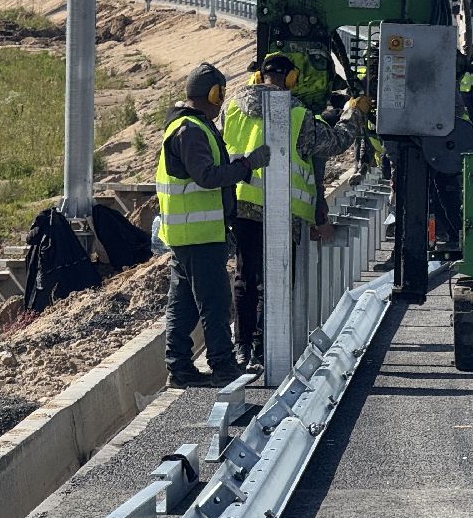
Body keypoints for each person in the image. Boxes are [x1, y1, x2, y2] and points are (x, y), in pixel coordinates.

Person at [221, 51, 372, 370]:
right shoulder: (297, 113)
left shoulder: (233, 106)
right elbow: (334, 142)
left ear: (260, 76)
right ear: (291, 79)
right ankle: (264, 350)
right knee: (273, 281)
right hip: (281, 209)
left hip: (243, 203)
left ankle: (241, 346)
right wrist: (353, 113)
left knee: (244, 275)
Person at [156, 62, 270, 387]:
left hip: (188, 233)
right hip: (200, 234)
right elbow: (206, 177)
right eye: (221, 93)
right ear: (214, 93)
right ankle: (222, 366)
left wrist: (236, 163)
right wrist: (248, 164)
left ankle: (179, 369)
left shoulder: (187, 126)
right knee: (215, 302)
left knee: (184, 304)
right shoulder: (191, 129)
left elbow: (207, 170)